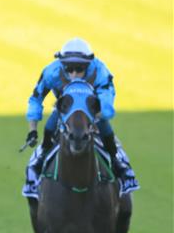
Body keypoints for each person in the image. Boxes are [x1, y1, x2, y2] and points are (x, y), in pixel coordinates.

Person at [23, 37, 139, 197]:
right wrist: (32, 130)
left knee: (105, 126)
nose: (74, 74)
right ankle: (38, 163)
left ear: (89, 64)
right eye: (69, 69)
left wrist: (99, 114)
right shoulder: (51, 72)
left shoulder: (100, 71)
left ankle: (120, 165)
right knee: (50, 126)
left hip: (92, 112)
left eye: (80, 69)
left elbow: (106, 100)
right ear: (62, 64)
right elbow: (35, 99)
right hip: (64, 110)